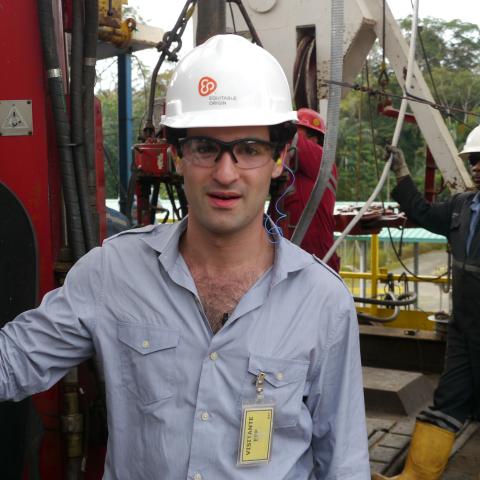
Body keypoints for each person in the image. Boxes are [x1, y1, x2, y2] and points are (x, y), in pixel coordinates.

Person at [0, 34, 369, 479]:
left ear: (279, 158)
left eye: (249, 149)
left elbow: (343, 462)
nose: (226, 173)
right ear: (177, 155)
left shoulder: (323, 303)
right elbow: (13, 361)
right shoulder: (113, 273)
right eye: (205, 148)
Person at [373, 131, 480, 480]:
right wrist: (402, 174)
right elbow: (422, 213)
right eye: (473, 160)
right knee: (448, 400)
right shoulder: (463, 206)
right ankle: (416, 476)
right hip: (465, 330)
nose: (476, 167)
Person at [269, 108, 340, 271]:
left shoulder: (322, 160)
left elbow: (291, 139)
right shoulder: (287, 172)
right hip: (286, 259)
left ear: (314, 139)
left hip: (317, 261)